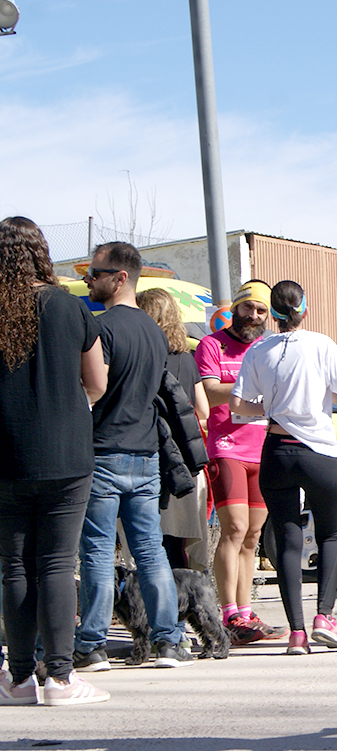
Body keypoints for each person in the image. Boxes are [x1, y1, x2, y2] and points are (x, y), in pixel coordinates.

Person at [0, 217, 109, 706]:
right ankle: (60, 679)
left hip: (5, 453)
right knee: (58, 564)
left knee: (15, 567)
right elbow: (97, 383)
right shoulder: (69, 307)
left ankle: (19, 679)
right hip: (66, 451)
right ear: (43, 253)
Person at [76, 241, 195, 670]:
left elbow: (97, 386)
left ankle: (91, 644)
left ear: (120, 277)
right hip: (146, 455)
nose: (90, 279)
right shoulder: (153, 331)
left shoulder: (101, 328)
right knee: (150, 551)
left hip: (105, 450)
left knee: (97, 551)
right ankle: (168, 641)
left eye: (96, 272)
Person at [230, 280, 337, 653]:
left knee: (286, 540)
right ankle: (325, 617)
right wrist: (320, 395)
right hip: (317, 450)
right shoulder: (321, 344)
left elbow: (238, 404)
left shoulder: (258, 349)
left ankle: (297, 633)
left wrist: (270, 407)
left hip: (275, 449)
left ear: (273, 311)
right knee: (331, 534)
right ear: (303, 309)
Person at [195, 280, 283, 644]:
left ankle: (246, 613)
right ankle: (228, 612)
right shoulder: (212, 344)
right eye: (248, 308)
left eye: (261, 311)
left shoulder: (267, 346)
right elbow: (210, 390)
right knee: (233, 529)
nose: (254, 316)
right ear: (237, 308)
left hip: (261, 448)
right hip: (226, 447)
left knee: (253, 535)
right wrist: (252, 388)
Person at [136, 288, 211, 569]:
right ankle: (178, 609)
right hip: (184, 465)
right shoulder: (188, 358)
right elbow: (203, 411)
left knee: (148, 542)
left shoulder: (143, 357)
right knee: (176, 545)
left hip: (151, 458)